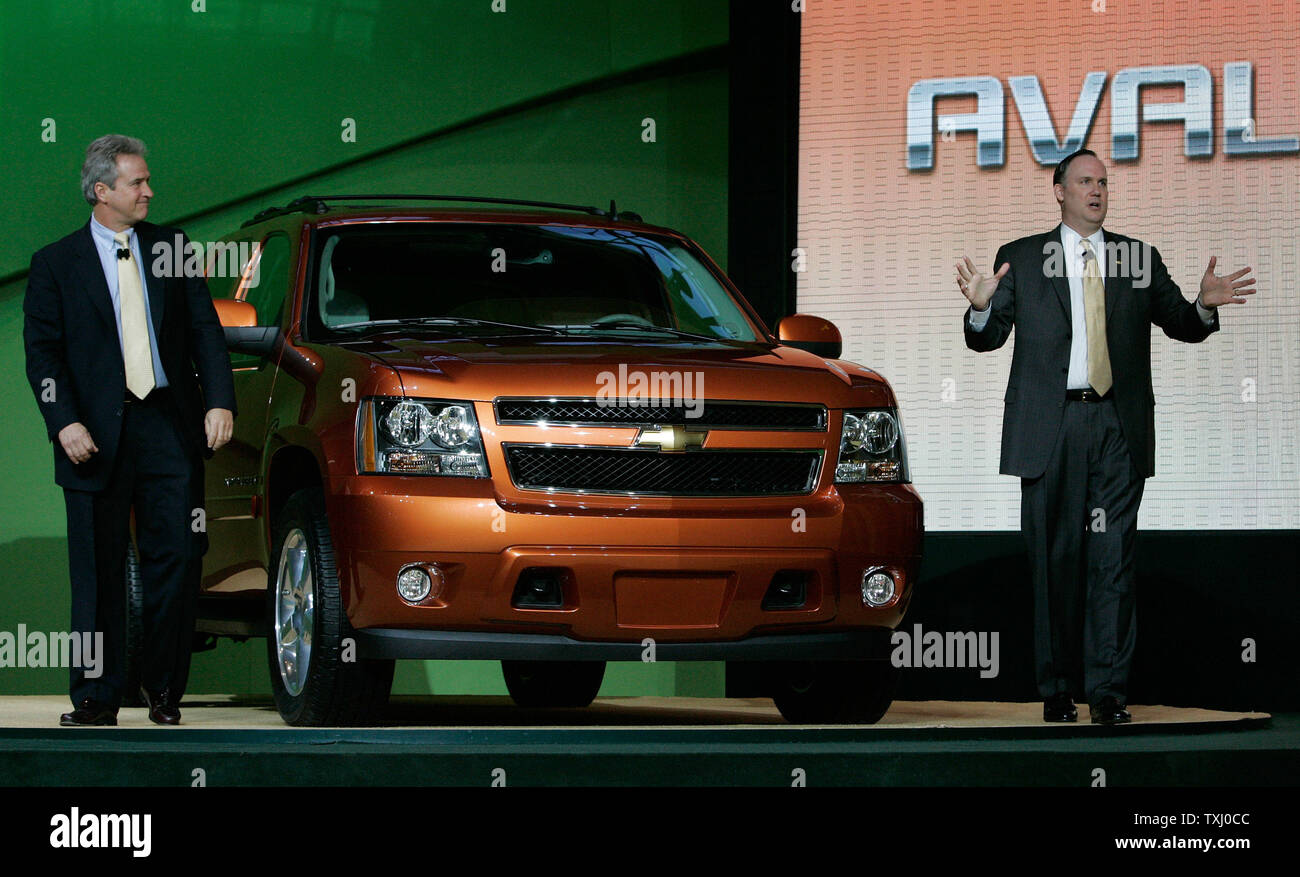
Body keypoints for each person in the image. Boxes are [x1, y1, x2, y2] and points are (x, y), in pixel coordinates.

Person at [956, 148, 1255, 725]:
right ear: (1059, 191)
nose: (1096, 190)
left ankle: (1110, 694)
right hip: (1051, 429)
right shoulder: (1019, 258)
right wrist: (977, 311)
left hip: (1117, 426)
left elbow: (1181, 323)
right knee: (1055, 562)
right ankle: (1057, 690)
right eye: (1084, 181)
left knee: (1113, 561)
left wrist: (1204, 305)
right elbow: (988, 338)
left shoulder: (1138, 259)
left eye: (1103, 182)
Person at [23, 135, 237, 726]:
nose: (149, 191)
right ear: (102, 191)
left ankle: (165, 692)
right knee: (96, 570)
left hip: (168, 426)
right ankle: (96, 696)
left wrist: (220, 402)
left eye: (146, 181)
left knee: (177, 560)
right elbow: (42, 355)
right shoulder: (53, 263)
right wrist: (62, 420)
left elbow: (206, 334)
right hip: (91, 434)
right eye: (137, 182)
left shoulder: (173, 248)